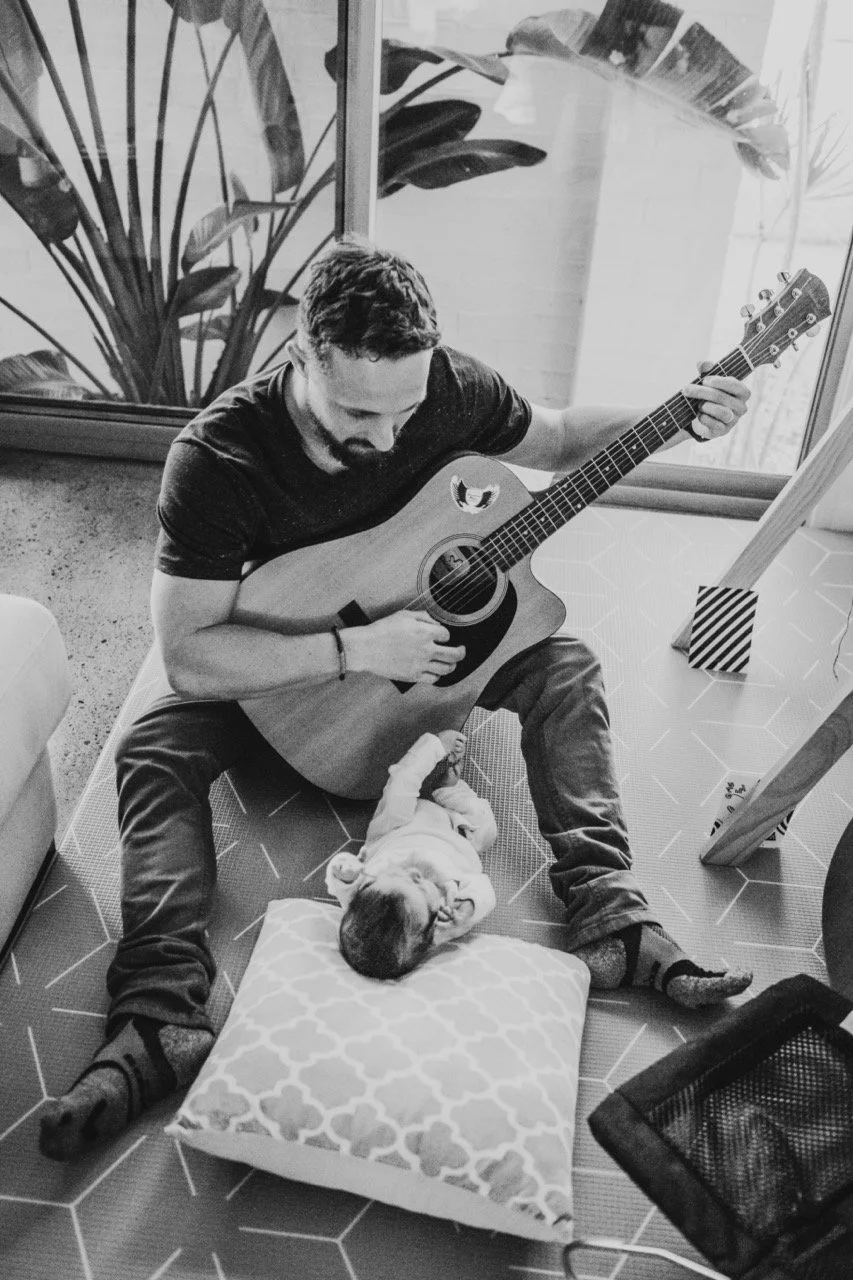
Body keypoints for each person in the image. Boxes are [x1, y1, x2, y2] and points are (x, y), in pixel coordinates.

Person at [39, 235, 753, 1161]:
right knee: (151, 747)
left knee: (568, 666)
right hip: (288, 676)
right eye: (355, 414)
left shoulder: (447, 387)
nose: (385, 438)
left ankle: (611, 913)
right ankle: (158, 1014)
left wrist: (681, 416)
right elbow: (188, 657)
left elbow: (560, 435)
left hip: (431, 671)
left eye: (403, 412)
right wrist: (354, 649)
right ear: (301, 358)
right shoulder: (217, 459)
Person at [327, 729, 498, 978]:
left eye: (400, 876)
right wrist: (469, 908)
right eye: (420, 887)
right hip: (458, 839)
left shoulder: (367, 893)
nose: (416, 874)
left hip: (400, 828)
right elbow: (484, 889)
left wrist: (346, 873)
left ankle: (435, 746)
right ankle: (449, 790)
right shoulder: (444, 918)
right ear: (432, 930)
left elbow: (342, 887)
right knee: (486, 828)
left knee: (401, 785)